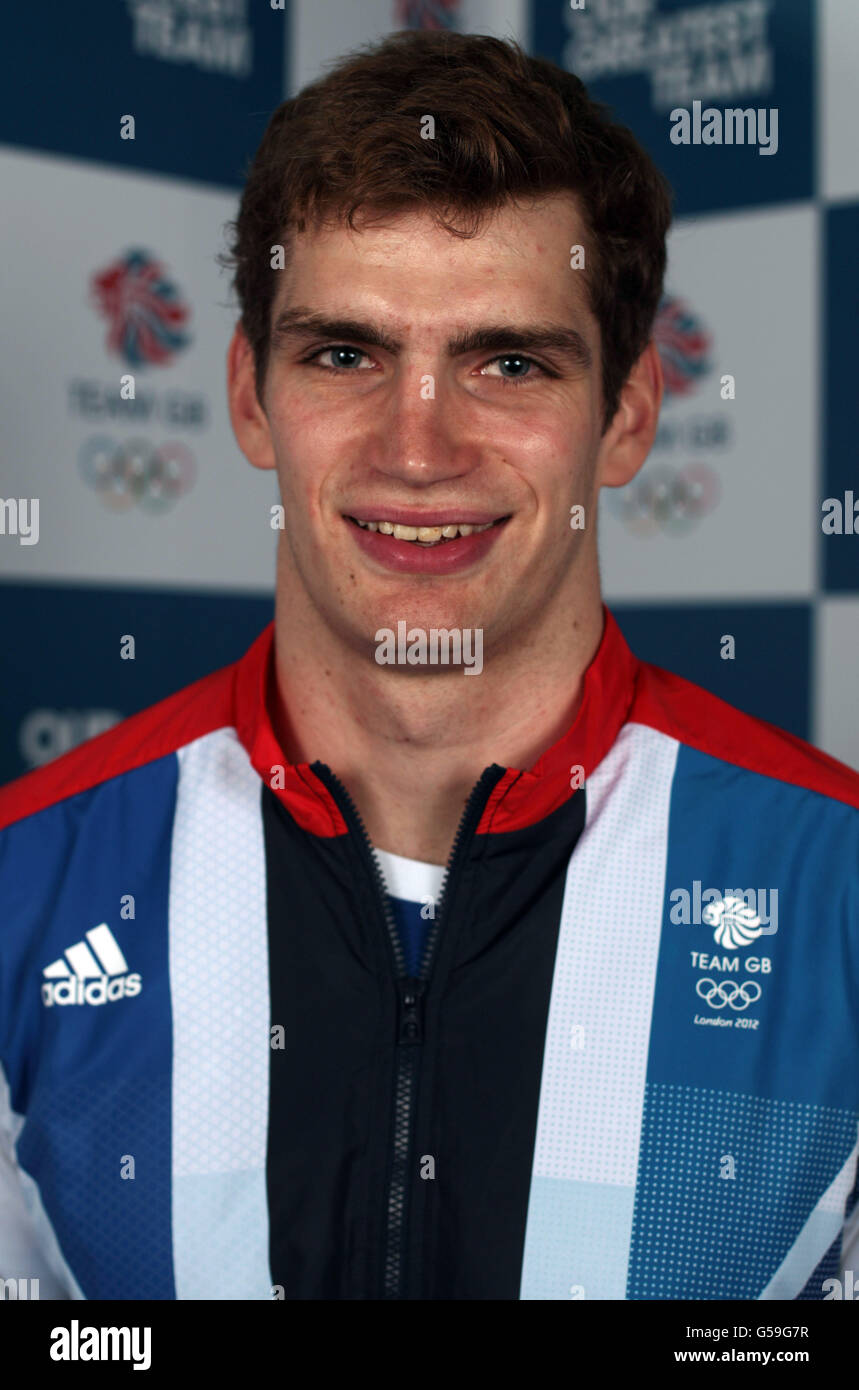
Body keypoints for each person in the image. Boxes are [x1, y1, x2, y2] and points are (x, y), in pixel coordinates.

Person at [1, 29, 857, 1303]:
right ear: (249, 397)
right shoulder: (26, 883)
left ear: (625, 416)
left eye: (507, 362)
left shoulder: (833, 888)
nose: (418, 447)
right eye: (344, 354)